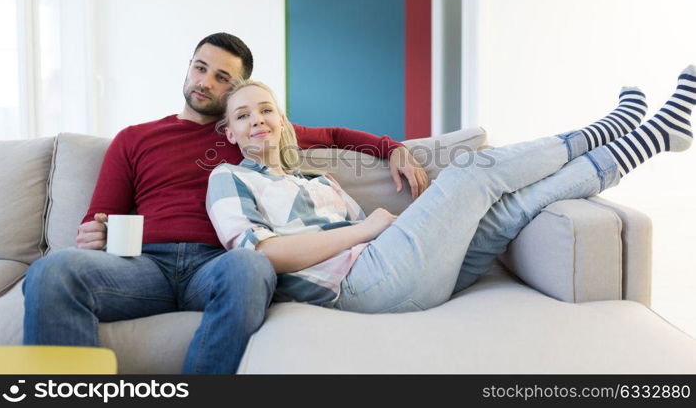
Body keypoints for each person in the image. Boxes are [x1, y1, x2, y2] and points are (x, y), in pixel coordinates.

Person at [21, 32, 429, 374]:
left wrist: (392, 148)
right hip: (143, 267)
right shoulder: (135, 138)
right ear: (189, 66)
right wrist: (95, 232)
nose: (205, 82)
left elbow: (335, 134)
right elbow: (99, 217)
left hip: (219, 265)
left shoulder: (247, 128)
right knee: (51, 270)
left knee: (251, 263)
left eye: (221, 77)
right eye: (200, 68)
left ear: (234, 89)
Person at [207, 67, 693, 313]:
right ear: (228, 133)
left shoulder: (320, 180)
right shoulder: (229, 179)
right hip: (357, 289)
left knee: (509, 212)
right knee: (468, 173)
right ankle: (614, 128)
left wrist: (410, 221)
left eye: (265, 110)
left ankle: (646, 142)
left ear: (283, 120)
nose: (257, 121)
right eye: (243, 115)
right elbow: (262, 254)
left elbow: (374, 217)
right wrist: (366, 230)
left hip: (405, 269)